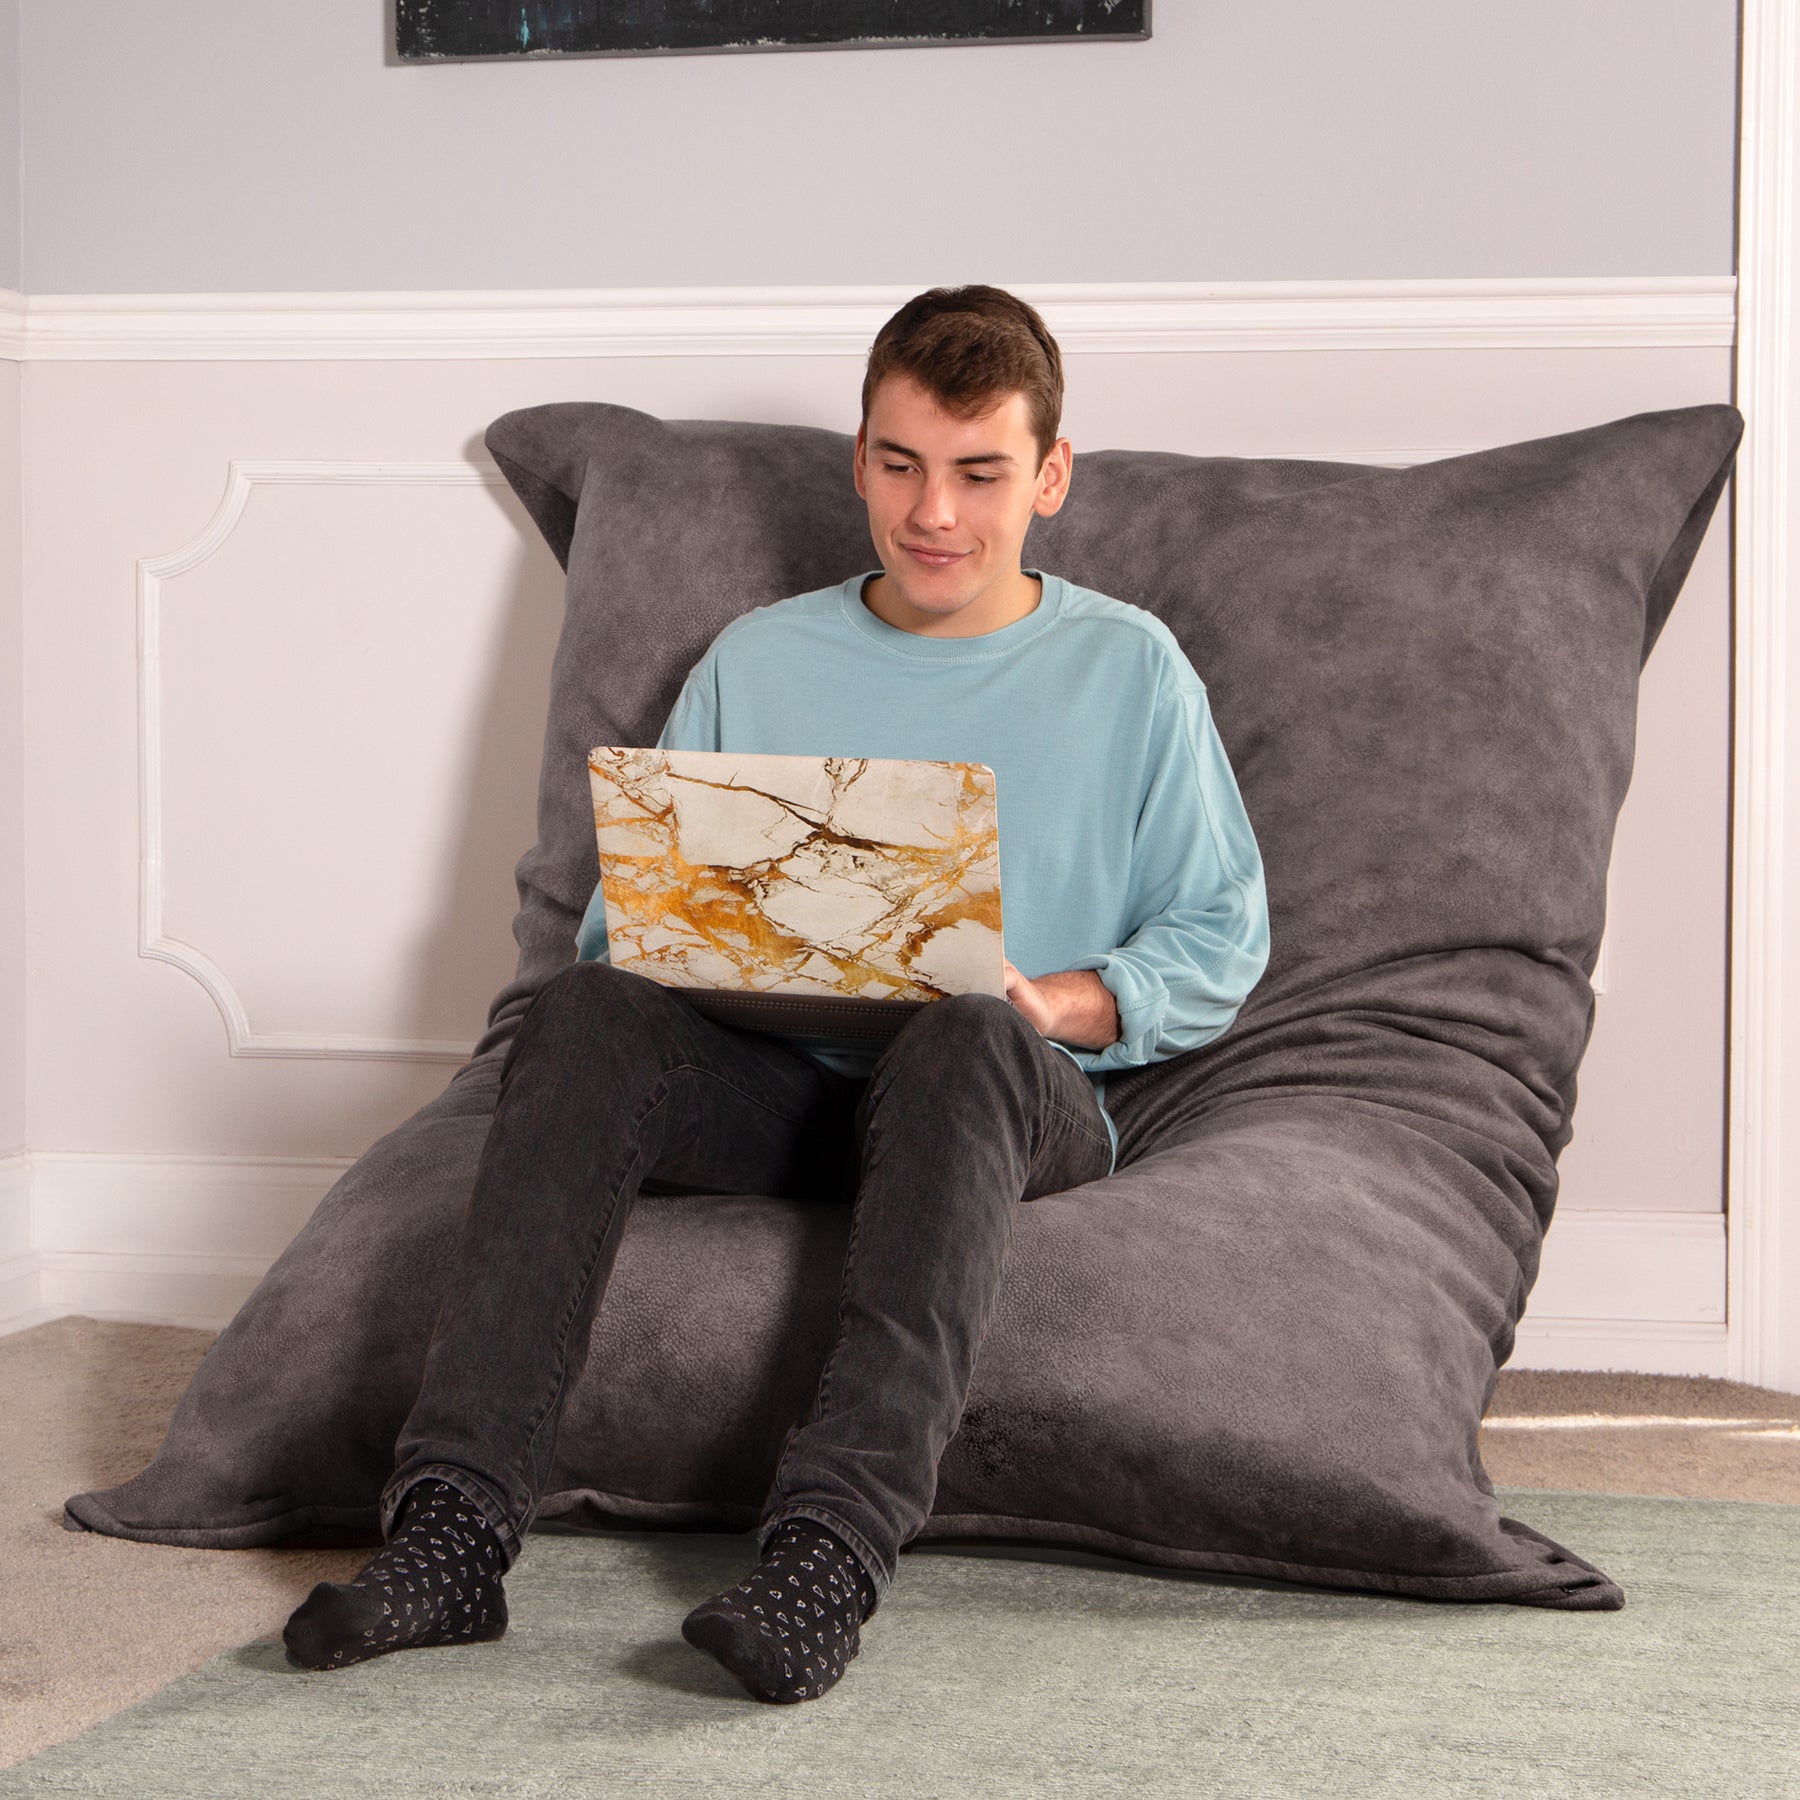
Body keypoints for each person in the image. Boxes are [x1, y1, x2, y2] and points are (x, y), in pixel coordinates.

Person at [282, 285, 1270, 1704]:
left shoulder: (1130, 668)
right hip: (780, 1083)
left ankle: (827, 1558)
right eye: (900, 464)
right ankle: (452, 1534)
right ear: (859, 458)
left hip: (999, 1091)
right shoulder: (760, 657)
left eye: (980, 473)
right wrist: (729, 947)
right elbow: (624, 932)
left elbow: (1222, 934)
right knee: (581, 1012)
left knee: (962, 1032)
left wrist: (1050, 1002)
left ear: (1050, 477)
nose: (935, 512)